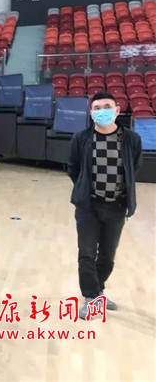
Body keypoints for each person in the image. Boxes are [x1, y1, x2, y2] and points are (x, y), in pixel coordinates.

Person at [67, 91, 142, 320]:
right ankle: (91, 297)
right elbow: (73, 168)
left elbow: (134, 167)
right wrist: (85, 189)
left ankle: (98, 291)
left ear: (117, 110)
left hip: (117, 207)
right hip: (88, 206)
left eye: (107, 107)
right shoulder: (81, 138)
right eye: (97, 108)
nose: (102, 111)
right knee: (87, 254)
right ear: (91, 113)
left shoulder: (131, 139)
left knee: (107, 257)